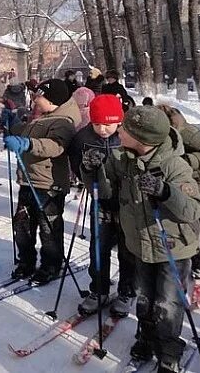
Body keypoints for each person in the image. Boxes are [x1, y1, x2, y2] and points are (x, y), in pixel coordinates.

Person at [82, 106, 200, 372]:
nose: (119, 131)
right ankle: (146, 338)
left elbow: (194, 209)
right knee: (145, 299)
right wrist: (90, 169)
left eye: (125, 129)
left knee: (167, 304)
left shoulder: (174, 164)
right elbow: (104, 192)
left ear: (143, 139)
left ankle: (169, 351)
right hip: (138, 244)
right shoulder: (120, 158)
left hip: (173, 247)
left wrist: (165, 191)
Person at [4, 78, 80, 284]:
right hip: (28, 180)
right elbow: (28, 130)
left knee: (49, 229)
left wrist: (27, 144)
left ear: (52, 99)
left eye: (40, 96)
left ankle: (51, 265)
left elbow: (55, 146)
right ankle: (26, 262)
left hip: (49, 184)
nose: (36, 99)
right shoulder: (43, 115)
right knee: (22, 225)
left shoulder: (63, 121)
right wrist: (13, 124)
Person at [71, 94, 136, 317]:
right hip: (99, 200)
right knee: (99, 247)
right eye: (97, 124)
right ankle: (99, 289)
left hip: (127, 203)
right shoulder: (84, 136)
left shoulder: (128, 136)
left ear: (119, 120)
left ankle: (126, 290)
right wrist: (86, 168)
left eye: (108, 124)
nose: (103, 129)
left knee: (127, 250)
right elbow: (75, 162)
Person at [158, 104, 200, 280]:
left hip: (195, 183)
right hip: (180, 183)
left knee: (194, 223)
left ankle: (198, 260)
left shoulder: (187, 133)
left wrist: (190, 161)